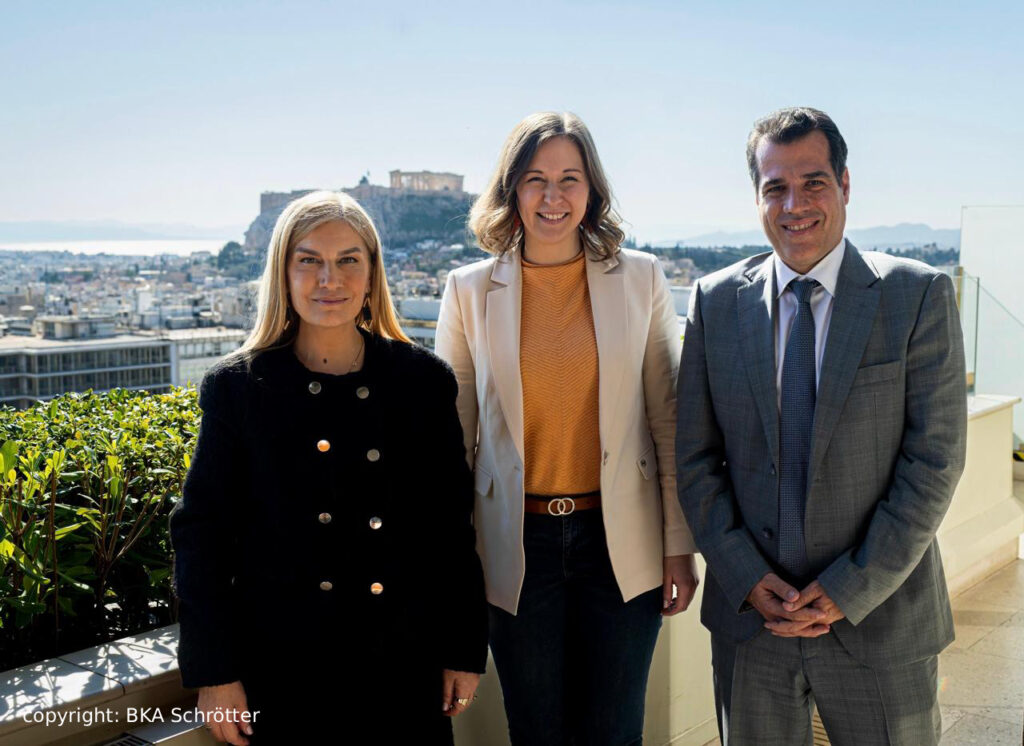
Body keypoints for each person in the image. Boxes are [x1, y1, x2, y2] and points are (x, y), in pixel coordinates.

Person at [675, 107, 967, 745]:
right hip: (753, 625)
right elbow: (694, 460)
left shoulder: (917, 296)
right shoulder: (714, 303)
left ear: (845, 185)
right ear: (757, 196)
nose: (794, 205)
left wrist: (849, 587)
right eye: (775, 187)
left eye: (813, 182)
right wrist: (747, 578)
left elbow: (935, 460)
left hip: (882, 621)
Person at [170, 191, 487, 745]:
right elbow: (202, 534)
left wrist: (462, 649)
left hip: (402, 663)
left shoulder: (422, 382)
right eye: (309, 260)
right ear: (283, 273)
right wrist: (214, 672)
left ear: (371, 273)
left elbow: (449, 529)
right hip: (285, 668)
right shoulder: (238, 388)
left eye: (348, 260)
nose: (329, 279)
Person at [435, 111, 699, 746]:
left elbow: (667, 416)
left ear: (592, 189)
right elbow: (453, 438)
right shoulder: (468, 289)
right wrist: (453, 559)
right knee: (537, 731)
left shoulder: (641, 278)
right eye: (535, 179)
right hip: (514, 544)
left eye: (569, 178)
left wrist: (678, 543)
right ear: (511, 190)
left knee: (614, 731)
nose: (552, 196)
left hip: (621, 539)